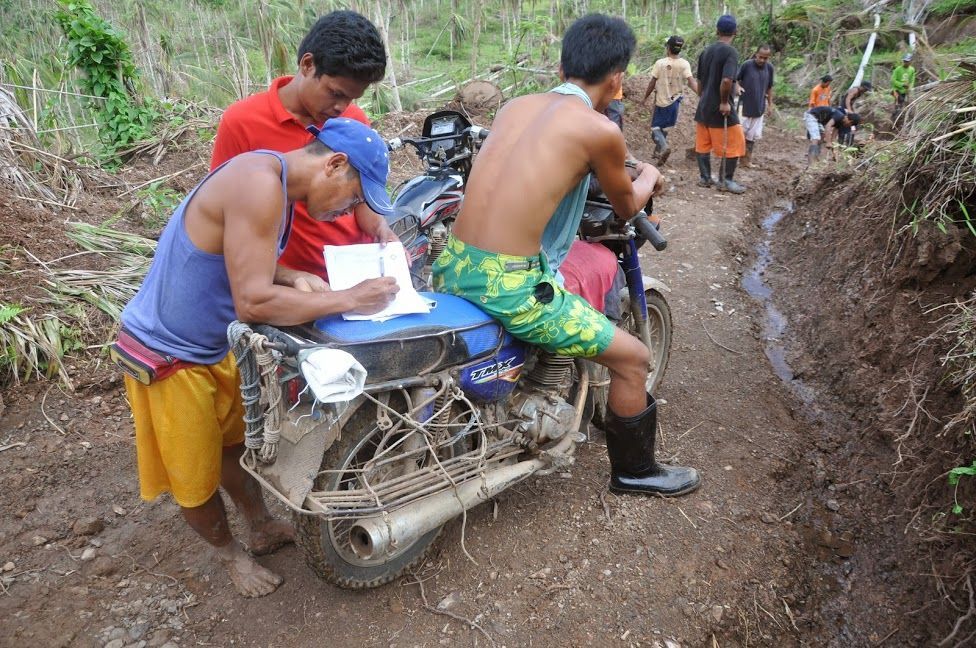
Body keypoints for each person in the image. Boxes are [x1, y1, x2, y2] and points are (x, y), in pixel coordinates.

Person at [118, 119, 401, 597]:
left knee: (233, 444)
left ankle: (261, 523)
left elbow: (240, 256)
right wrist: (349, 298)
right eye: (353, 197)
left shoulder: (274, 183)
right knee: (193, 473)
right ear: (334, 164)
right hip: (169, 355)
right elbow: (253, 303)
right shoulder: (259, 186)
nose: (348, 210)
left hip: (213, 345)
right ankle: (229, 556)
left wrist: (289, 277)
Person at [432, 14, 700, 497]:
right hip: (511, 288)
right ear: (618, 78)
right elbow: (625, 206)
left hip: (453, 264)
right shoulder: (599, 131)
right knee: (634, 358)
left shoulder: (515, 107)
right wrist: (650, 178)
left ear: (562, 65)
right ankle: (635, 472)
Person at [211, 11, 399, 283]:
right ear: (308, 65)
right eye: (336, 93)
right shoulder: (242, 122)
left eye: (351, 99)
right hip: (291, 285)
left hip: (353, 275)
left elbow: (359, 193)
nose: (341, 108)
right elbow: (225, 215)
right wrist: (285, 277)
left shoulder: (353, 120)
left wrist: (380, 228)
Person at [694, 15, 747, 194]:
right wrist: (724, 102)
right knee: (735, 143)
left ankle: (705, 178)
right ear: (735, 32)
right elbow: (726, 80)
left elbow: (699, 81)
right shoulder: (730, 52)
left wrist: (703, 98)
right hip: (720, 107)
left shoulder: (705, 51)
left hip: (704, 107)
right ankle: (726, 180)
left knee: (703, 144)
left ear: (717, 31)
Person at [640, 35, 698, 165]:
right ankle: (657, 152)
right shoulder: (684, 64)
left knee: (655, 128)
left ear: (668, 48)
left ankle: (664, 148)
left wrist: (645, 98)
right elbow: (691, 82)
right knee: (664, 128)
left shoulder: (660, 63)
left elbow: (652, 82)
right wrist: (701, 94)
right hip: (675, 102)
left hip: (661, 102)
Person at [735, 44, 774, 167]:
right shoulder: (747, 65)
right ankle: (733, 159)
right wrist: (738, 87)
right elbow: (735, 79)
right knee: (739, 134)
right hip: (744, 105)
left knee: (752, 137)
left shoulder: (770, 68)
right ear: (756, 54)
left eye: (765, 58)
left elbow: (769, 87)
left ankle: (746, 161)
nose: (762, 60)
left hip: (759, 106)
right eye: (760, 57)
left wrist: (770, 104)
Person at [891, 53, 916, 118]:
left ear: (910, 61)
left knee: (903, 104)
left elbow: (912, 80)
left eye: (907, 61)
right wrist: (902, 84)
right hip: (897, 90)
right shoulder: (898, 69)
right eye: (905, 61)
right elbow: (893, 80)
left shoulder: (912, 70)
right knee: (898, 102)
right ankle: (894, 116)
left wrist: (910, 88)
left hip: (905, 91)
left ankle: (900, 116)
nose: (906, 63)